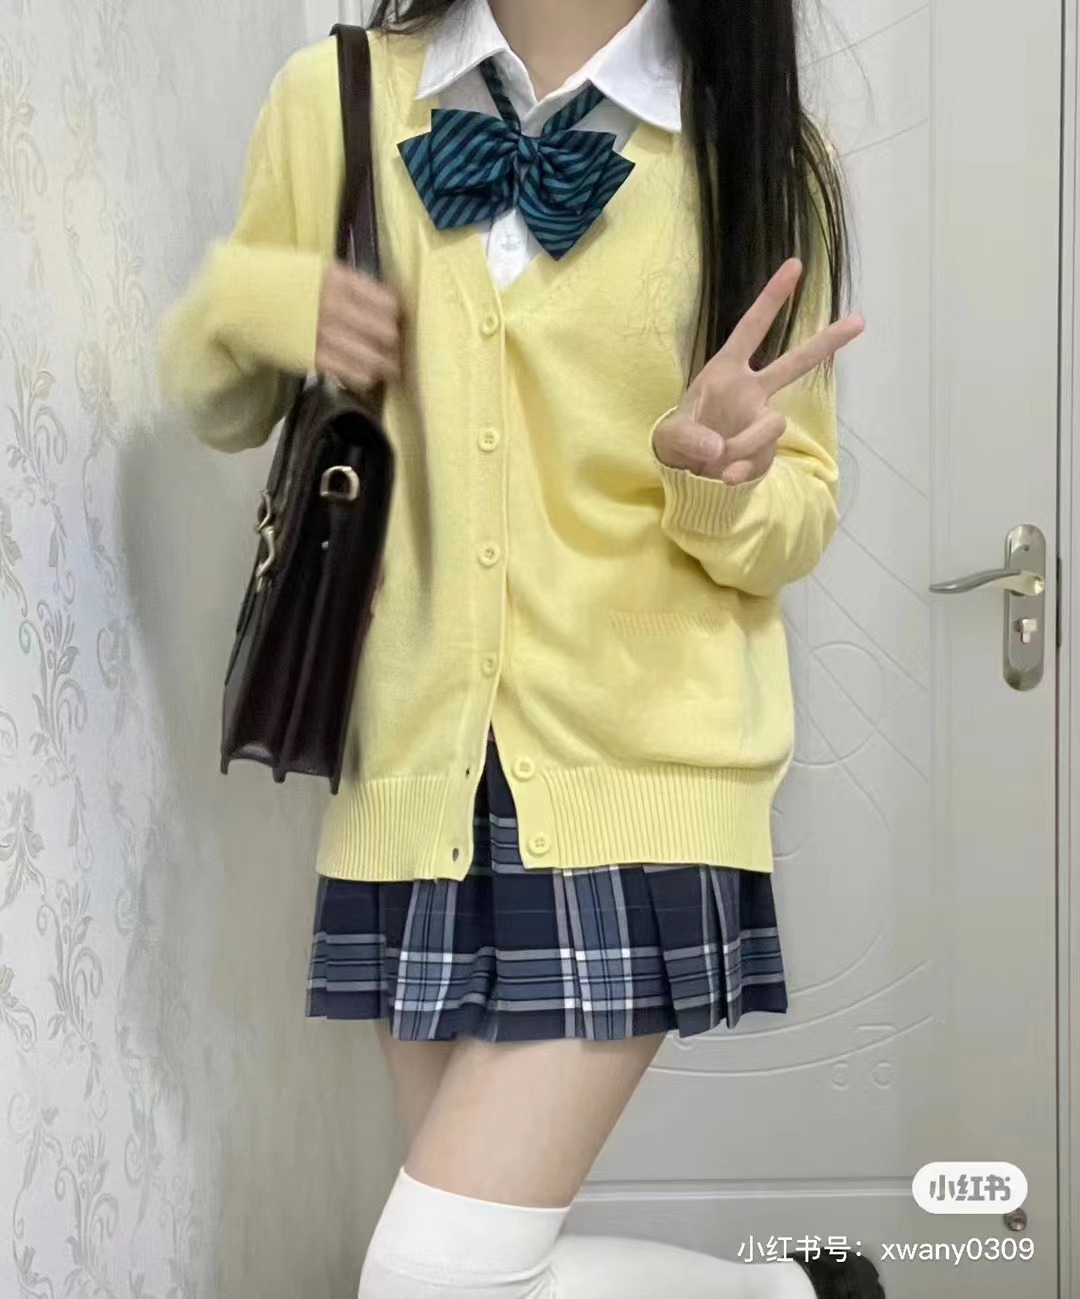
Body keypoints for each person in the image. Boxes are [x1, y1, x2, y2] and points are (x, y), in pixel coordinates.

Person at [160, 0, 877, 1294]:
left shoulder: (759, 150)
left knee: (429, 1276)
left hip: (639, 766)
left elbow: (800, 516)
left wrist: (719, 477)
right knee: (479, 1270)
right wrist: (262, 301)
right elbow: (219, 404)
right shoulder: (337, 100)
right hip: (413, 782)